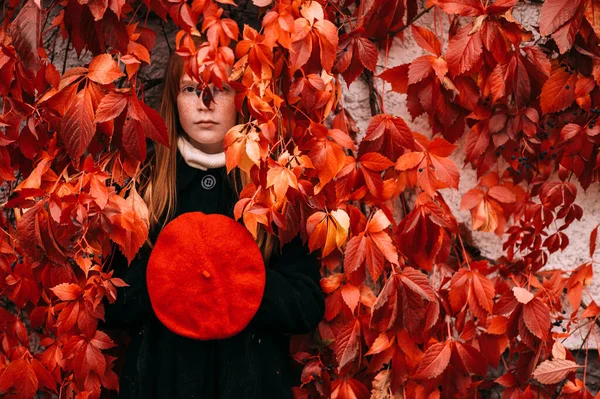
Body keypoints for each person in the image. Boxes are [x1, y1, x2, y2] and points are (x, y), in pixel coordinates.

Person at [99, 35, 325, 399]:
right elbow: (110, 304)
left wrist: (238, 279)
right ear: (172, 99)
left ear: (243, 99)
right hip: (162, 383)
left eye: (219, 89)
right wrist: (173, 272)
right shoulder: (143, 185)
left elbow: (306, 304)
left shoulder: (275, 189)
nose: (205, 104)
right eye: (191, 89)